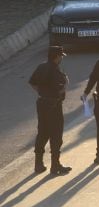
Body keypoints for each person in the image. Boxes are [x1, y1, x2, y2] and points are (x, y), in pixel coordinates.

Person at [28, 45, 72, 175]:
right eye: (61, 56)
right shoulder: (55, 70)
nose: (61, 58)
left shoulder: (41, 67)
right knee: (56, 135)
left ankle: (38, 164)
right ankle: (55, 165)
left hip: (42, 103)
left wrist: (42, 93)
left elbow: (32, 83)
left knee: (42, 133)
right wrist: (64, 87)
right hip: (54, 105)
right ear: (57, 56)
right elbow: (60, 89)